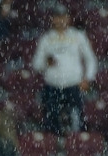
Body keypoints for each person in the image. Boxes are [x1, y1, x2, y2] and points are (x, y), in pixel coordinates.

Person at [32, 5, 96, 135]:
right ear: (53, 19)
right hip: (52, 86)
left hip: (73, 85)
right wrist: (46, 63)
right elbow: (36, 64)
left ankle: (78, 148)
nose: (61, 20)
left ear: (68, 19)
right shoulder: (46, 39)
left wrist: (88, 78)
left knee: (77, 120)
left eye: (63, 17)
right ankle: (53, 148)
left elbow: (90, 59)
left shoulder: (78, 36)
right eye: (57, 17)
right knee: (51, 121)